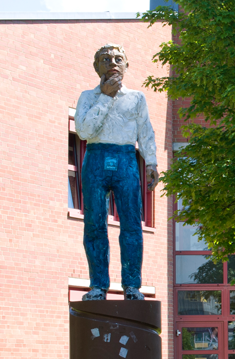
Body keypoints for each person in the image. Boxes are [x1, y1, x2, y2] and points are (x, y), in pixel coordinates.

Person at [75, 43, 159, 301]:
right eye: (105, 59)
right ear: (96, 66)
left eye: (118, 58)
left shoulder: (136, 98)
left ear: (126, 65)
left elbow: (145, 131)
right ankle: (98, 285)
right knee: (94, 224)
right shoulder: (87, 97)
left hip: (126, 159)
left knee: (132, 224)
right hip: (96, 158)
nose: (112, 63)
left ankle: (132, 286)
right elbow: (84, 132)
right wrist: (105, 96)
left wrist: (152, 162)